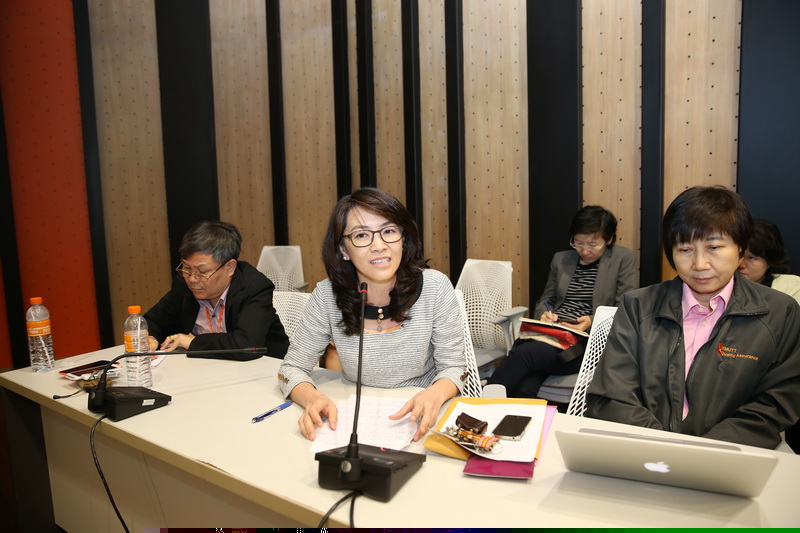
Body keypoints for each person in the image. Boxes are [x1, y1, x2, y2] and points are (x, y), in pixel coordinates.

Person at [587, 186, 800, 449]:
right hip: (644, 451)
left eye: (714, 247)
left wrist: (705, 452)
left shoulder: (780, 312)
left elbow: (777, 401)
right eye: (685, 250)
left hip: (732, 456)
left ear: (741, 249)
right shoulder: (638, 306)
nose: (700, 264)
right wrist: (665, 449)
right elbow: (612, 396)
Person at [277, 188, 467, 441]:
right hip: (353, 416)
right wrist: (312, 398)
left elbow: (454, 368)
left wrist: (435, 394)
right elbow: (291, 369)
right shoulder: (327, 295)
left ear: (403, 238)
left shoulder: (434, 287)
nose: (379, 246)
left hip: (420, 416)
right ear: (343, 249)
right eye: (362, 235)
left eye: (388, 231)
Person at [487, 205, 638, 398]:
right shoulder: (561, 259)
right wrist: (544, 314)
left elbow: (624, 307)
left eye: (593, 245)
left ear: (608, 240)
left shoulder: (623, 259)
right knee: (525, 385)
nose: (585, 251)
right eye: (578, 243)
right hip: (553, 333)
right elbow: (546, 299)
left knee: (522, 355)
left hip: (587, 342)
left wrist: (591, 321)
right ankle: (514, 416)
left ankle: (479, 408)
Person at [144, 220, 289, 360]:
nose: (192, 278)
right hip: (205, 369)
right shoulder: (183, 283)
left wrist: (193, 342)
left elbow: (247, 346)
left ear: (230, 267)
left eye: (202, 271)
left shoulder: (254, 287)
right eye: (187, 268)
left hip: (263, 369)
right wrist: (151, 338)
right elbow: (153, 321)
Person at [738, 219, 800, 305]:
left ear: (769, 260)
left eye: (751, 258)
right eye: (739, 255)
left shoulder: (790, 286)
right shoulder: (720, 285)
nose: (741, 264)